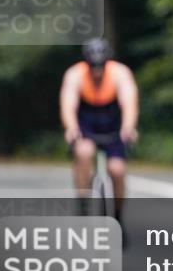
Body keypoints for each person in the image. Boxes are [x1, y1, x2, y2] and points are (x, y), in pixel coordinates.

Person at [59, 38, 139, 230]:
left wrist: (128, 127)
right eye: (93, 66)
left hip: (113, 125)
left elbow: (129, 103)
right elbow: (68, 104)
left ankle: (118, 216)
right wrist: (71, 127)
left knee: (117, 170)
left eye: (101, 66)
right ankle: (83, 203)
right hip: (86, 124)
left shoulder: (120, 73)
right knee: (84, 153)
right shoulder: (75, 74)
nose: (97, 71)